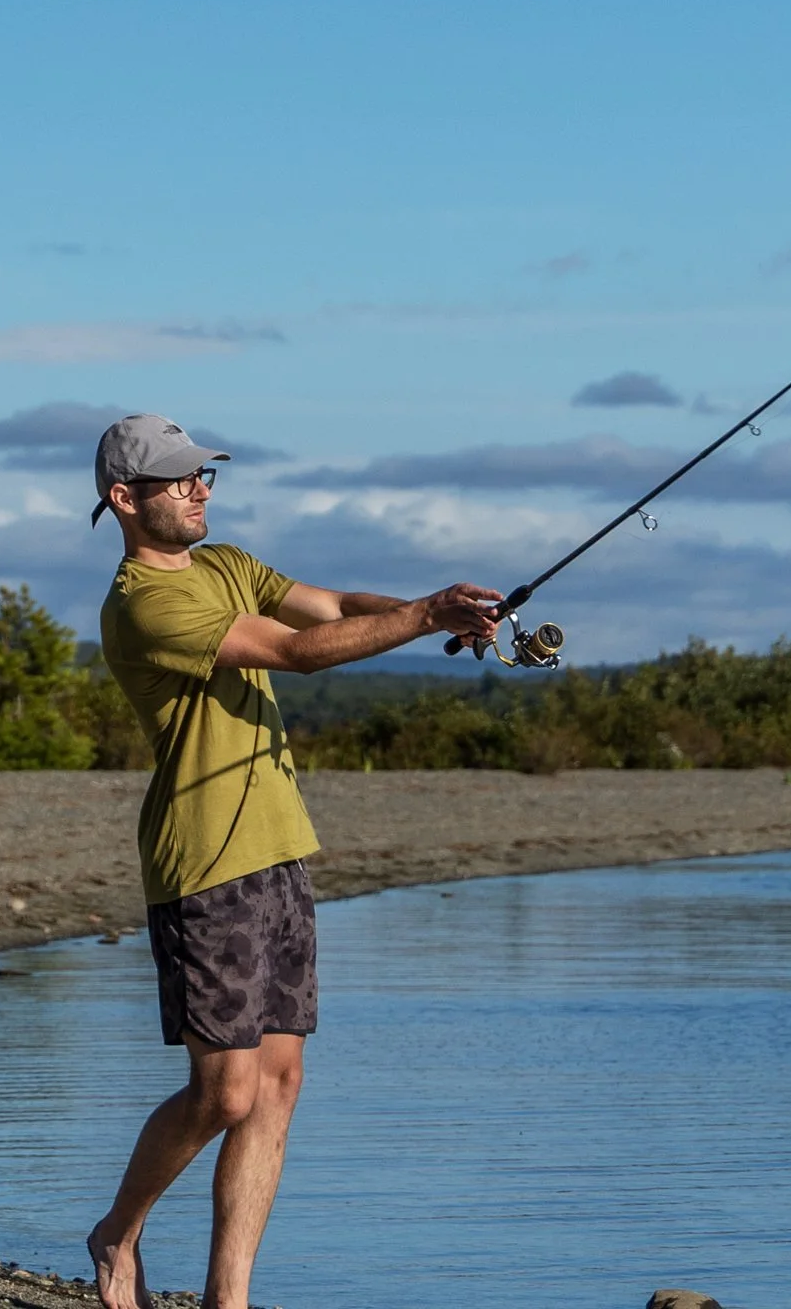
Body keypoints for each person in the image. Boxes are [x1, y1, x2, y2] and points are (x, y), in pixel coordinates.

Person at [84, 413, 501, 1309]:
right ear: (125, 499)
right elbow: (295, 653)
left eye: (203, 475)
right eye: (177, 479)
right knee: (223, 1093)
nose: (200, 489)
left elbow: (332, 611)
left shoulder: (228, 565)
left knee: (277, 1084)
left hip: (280, 852)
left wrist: (436, 613)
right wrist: (424, 616)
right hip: (204, 863)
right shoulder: (143, 603)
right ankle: (118, 1232)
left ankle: (226, 1301)